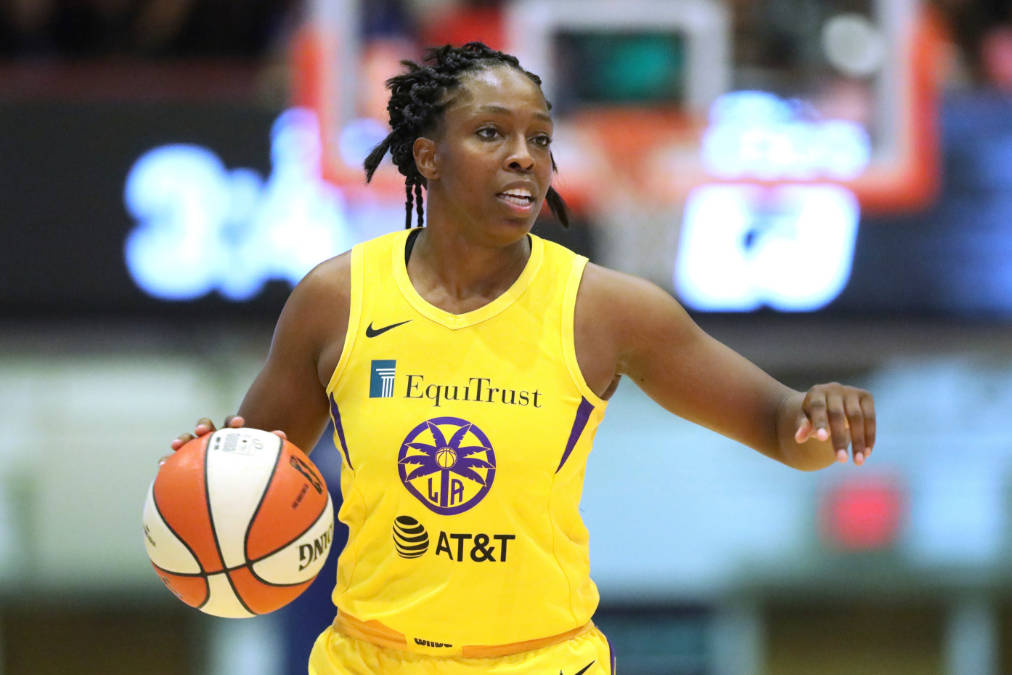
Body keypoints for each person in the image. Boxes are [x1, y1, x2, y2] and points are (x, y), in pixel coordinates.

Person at [171, 42, 876, 674]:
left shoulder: (604, 309)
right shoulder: (337, 298)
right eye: (491, 133)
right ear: (428, 157)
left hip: (541, 661)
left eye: (540, 138)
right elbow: (251, 477)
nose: (524, 156)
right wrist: (208, 471)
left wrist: (820, 417)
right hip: (370, 660)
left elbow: (782, 429)